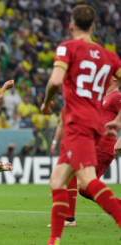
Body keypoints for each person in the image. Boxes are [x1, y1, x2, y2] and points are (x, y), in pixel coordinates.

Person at [40, 5, 121, 245]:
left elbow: (55, 81)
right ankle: (53, 240)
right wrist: (116, 120)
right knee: (57, 181)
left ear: (71, 26)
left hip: (78, 123)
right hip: (95, 124)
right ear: (94, 27)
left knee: (87, 181)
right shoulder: (111, 57)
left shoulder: (67, 48)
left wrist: (46, 103)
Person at [48, 76, 121, 228]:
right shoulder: (101, 97)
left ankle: (69, 218)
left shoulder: (116, 97)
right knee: (85, 189)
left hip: (104, 146)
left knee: (74, 174)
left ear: (114, 78)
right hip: (93, 145)